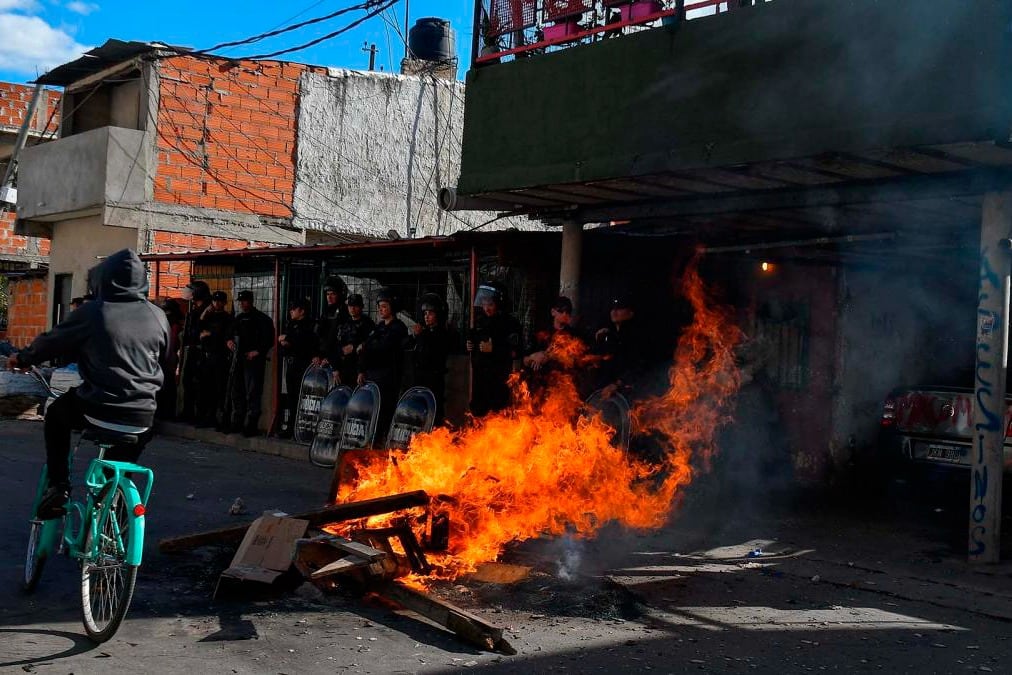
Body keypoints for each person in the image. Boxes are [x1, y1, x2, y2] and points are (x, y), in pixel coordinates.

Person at [7, 248, 169, 519]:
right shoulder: (158, 315)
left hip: (99, 407)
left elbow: (50, 343)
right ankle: (114, 516)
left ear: (103, 279)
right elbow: (166, 363)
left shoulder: (94, 311)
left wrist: (23, 358)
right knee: (117, 468)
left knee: (56, 414)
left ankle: (58, 486)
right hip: (143, 417)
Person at [358, 288, 408, 441]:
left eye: (384, 306)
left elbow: (382, 348)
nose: (380, 309)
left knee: (385, 411)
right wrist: (362, 370)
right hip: (373, 376)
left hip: (388, 378)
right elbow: (366, 347)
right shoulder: (379, 327)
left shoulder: (398, 328)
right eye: (379, 306)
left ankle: (381, 440)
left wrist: (367, 347)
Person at [467, 281, 523, 417]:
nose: (486, 308)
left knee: (497, 418)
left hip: (498, 381)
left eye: (490, 304)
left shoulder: (510, 324)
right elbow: (473, 342)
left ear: (499, 304)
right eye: (484, 304)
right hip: (480, 381)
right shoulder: (480, 322)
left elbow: (515, 352)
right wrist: (469, 346)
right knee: (478, 415)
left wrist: (494, 348)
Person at [227, 290, 275, 437]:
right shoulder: (239, 318)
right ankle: (237, 422)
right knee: (237, 392)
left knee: (253, 392)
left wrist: (258, 351)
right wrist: (229, 341)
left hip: (253, 361)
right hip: (239, 359)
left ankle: (251, 424)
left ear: (251, 301)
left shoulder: (261, 319)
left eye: (244, 301)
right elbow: (230, 334)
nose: (242, 304)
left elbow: (268, 339)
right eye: (240, 301)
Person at [593, 295, 647, 401]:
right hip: (606, 393)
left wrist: (617, 384)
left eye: (619, 308)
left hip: (629, 394)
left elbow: (638, 365)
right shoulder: (608, 334)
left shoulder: (636, 336)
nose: (614, 311)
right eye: (613, 308)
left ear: (630, 313)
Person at [278, 298, 318, 437]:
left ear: (302, 311)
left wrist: (289, 340)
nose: (291, 311)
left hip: (303, 365)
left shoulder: (309, 325)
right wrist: (287, 341)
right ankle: (290, 427)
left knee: (302, 397)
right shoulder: (291, 324)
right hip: (291, 363)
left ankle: (300, 428)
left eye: (294, 309)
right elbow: (284, 341)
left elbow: (304, 342)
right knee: (291, 397)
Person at [409, 293, 450, 425]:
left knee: (434, 415)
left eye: (430, 313)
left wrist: (421, 336)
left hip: (433, 381)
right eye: (425, 313)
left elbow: (432, 353)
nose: (426, 316)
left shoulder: (442, 334)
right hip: (419, 380)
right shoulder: (424, 332)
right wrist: (415, 336)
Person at [195, 290, 234, 429]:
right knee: (205, 388)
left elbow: (224, 336)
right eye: (214, 301)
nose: (216, 304)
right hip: (207, 356)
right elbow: (198, 330)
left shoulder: (227, 318)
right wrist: (204, 314)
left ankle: (219, 418)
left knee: (219, 389)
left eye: (219, 301)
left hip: (219, 357)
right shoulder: (209, 316)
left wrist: (209, 334)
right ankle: (206, 417)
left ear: (224, 303)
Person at [179, 279, 211, 422]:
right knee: (187, 381)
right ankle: (188, 412)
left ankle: (199, 414)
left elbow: (201, 331)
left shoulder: (207, 310)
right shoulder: (195, 309)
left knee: (199, 384)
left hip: (201, 351)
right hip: (192, 349)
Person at [333, 293, 374, 386]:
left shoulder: (368, 324)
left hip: (359, 370)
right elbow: (336, 347)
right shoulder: (344, 324)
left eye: (355, 306)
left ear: (361, 307)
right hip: (344, 368)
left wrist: (361, 370)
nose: (352, 309)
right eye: (350, 306)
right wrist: (336, 368)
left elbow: (370, 347)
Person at [156, 298, 184, 420]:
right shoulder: (173, 323)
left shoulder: (172, 324)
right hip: (167, 358)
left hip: (167, 358)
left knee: (166, 386)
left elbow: (171, 343)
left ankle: (165, 412)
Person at [315, 276, 350, 367]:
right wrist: (317, 355)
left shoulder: (346, 313)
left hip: (339, 361)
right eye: (327, 294)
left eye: (333, 294)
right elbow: (319, 336)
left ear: (340, 294)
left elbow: (344, 341)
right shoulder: (326, 312)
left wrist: (331, 358)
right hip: (323, 359)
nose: (329, 297)